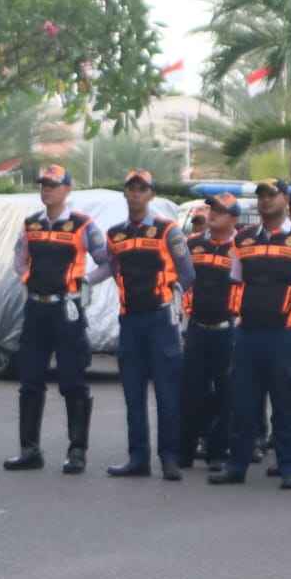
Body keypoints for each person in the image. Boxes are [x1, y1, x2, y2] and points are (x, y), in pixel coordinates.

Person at [210, 178, 291, 489]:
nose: (264, 200)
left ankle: (290, 468)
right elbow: (236, 282)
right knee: (242, 402)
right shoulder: (243, 240)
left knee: (287, 402)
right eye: (260, 195)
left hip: (287, 335)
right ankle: (236, 466)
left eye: (271, 195)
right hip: (248, 334)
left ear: (286, 200)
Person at [87, 170, 194, 480]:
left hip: (161, 320)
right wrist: (86, 282)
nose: (136, 194)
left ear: (151, 194)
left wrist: (175, 299)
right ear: (125, 194)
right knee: (133, 394)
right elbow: (110, 264)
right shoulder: (116, 233)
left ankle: (170, 458)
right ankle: (138, 458)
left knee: (166, 393)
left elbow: (187, 273)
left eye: (142, 189)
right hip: (130, 320)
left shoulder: (168, 230)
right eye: (131, 189)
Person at [4, 164, 109, 474]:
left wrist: (85, 283)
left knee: (73, 381)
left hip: (67, 311)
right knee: (30, 381)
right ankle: (29, 450)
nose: (46, 189)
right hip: (36, 309)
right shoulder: (30, 224)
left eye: (52, 184)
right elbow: (18, 259)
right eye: (43, 184)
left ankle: (77, 451)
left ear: (67, 189)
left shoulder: (83, 225)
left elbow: (107, 262)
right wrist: (27, 278)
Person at [180, 193, 241, 472]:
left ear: (233, 218)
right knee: (192, 391)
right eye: (212, 208)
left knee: (226, 393)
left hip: (228, 330)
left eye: (220, 210)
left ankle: (217, 450)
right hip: (196, 329)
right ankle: (186, 450)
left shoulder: (242, 247)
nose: (213, 213)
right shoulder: (193, 244)